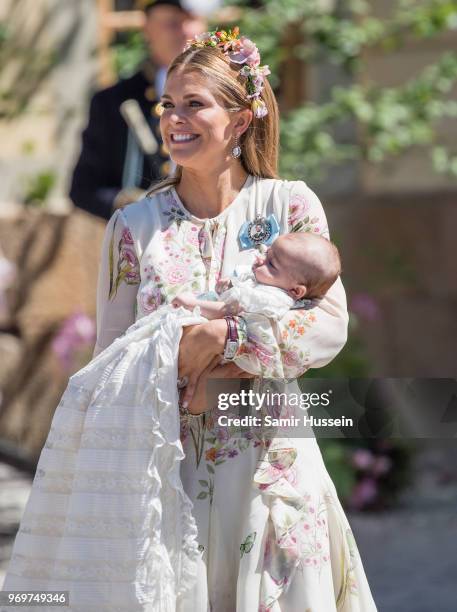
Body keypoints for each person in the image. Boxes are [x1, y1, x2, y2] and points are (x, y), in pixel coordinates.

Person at [2, 28, 378, 612]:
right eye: (168, 104)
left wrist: (223, 339)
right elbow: (110, 365)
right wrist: (179, 354)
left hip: (269, 469)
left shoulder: (290, 206)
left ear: (241, 118)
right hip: (167, 477)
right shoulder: (133, 228)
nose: (174, 118)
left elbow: (327, 328)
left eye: (194, 103)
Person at [69, 0, 213, 220]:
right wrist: (136, 206)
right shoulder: (113, 102)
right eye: (173, 23)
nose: (185, 31)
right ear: (147, 28)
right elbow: (84, 190)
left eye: (191, 20)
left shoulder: (229, 95)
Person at [171, 232, 342, 321]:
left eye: (271, 264)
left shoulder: (272, 299)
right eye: (267, 254)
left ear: (295, 290)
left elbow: (227, 311)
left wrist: (193, 304)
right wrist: (230, 285)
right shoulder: (265, 282)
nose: (261, 260)